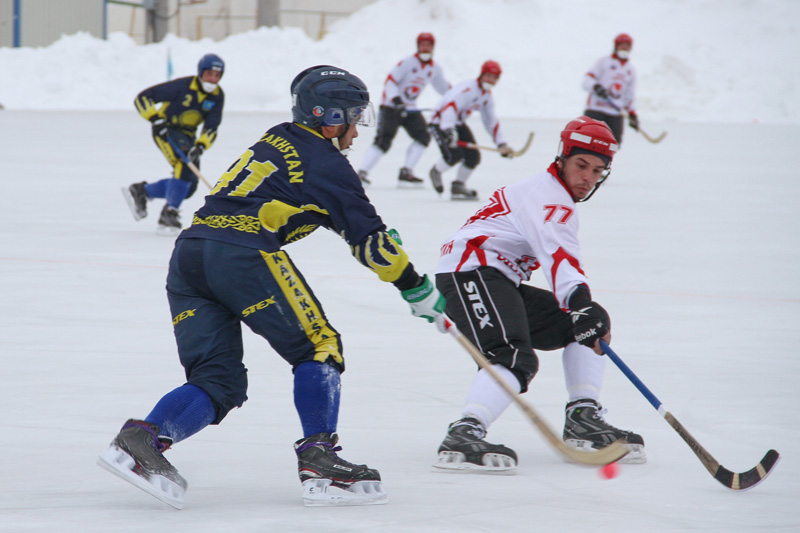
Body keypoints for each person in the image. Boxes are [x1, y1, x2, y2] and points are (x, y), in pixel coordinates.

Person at [98, 65, 446, 508]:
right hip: (241, 254)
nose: (357, 133)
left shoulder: (278, 137)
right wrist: (417, 290)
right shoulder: (327, 163)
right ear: (329, 117)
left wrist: (346, 224)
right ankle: (319, 456)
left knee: (218, 380)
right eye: (353, 119)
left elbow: (324, 214)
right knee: (319, 347)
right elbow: (372, 242)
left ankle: (141, 440)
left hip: (190, 255)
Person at [431, 116, 645, 474]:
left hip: (495, 277)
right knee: (514, 356)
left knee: (588, 325)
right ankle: (464, 433)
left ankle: (583, 416)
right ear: (561, 157)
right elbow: (559, 259)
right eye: (581, 165)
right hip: (470, 273)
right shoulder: (549, 197)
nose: (587, 178)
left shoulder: (551, 195)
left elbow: (558, 261)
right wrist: (580, 304)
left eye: (596, 170)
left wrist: (583, 312)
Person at [122, 53, 226, 233]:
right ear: (200, 73)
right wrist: (155, 119)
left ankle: (142, 191)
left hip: (189, 137)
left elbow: (212, 127)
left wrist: (201, 146)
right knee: (184, 165)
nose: (213, 79)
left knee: (190, 187)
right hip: (166, 131)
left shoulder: (217, 96)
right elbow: (143, 98)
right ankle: (170, 212)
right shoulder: (182, 86)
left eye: (217, 75)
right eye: (209, 74)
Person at [357, 32, 450, 187]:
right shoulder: (407, 63)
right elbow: (391, 81)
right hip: (391, 107)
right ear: (418, 46)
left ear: (432, 47)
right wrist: (397, 100)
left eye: (428, 45)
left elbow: (444, 87)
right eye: (422, 45)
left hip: (410, 109)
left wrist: (454, 99)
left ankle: (407, 171)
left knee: (423, 137)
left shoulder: (434, 68)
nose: (425, 48)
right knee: (383, 140)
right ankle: (362, 172)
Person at [428, 60, 513, 201]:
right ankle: (436, 171)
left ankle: (458, 185)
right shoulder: (469, 89)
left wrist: (501, 143)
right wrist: (449, 130)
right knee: (453, 155)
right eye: (488, 76)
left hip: (458, 123)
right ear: (482, 74)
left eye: (494, 78)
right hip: (440, 121)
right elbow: (450, 107)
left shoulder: (486, 96)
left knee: (473, 156)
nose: (491, 80)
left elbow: (490, 121)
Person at [582, 33, 638, 146]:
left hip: (615, 113)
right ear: (616, 46)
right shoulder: (604, 62)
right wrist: (596, 87)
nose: (624, 48)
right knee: (587, 141)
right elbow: (587, 80)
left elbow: (629, 95)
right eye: (622, 45)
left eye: (627, 46)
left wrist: (632, 114)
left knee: (613, 145)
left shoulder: (630, 70)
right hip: (596, 109)